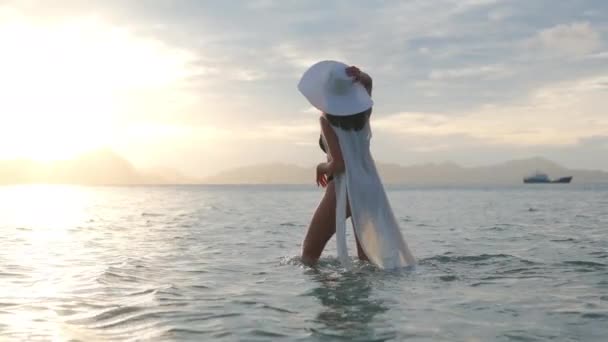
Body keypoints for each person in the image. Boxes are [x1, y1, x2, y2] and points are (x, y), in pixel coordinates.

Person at [297, 60, 416, 269]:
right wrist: (359, 76)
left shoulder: (327, 120)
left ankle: (329, 300)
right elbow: (368, 83)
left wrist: (320, 168)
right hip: (370, 187)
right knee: (367, 260)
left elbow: (339, 165)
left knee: (308, 257)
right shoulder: (364, 114)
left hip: (344, 189)